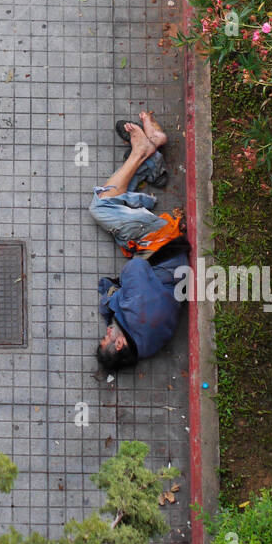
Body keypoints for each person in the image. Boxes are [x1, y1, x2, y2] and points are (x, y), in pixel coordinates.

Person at [90, 111, 190, 370]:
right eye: (106, 338)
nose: (107, 333)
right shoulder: (135, 311)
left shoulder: (145, 345)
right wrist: (118, 298)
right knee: (101, 208)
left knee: (118, 199)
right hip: (164, 245)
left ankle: (151, 157)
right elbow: (135, 270)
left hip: (168, 264)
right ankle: (142, 151)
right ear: (118, 344)